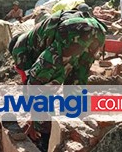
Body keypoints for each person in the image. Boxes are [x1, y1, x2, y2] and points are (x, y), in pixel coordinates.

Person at [9, 9, 106, 151]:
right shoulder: (35, 37)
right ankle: (75, 127)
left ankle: (45, 139)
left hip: (71, 29)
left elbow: (29, 83)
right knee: (75, 81)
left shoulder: (18, 48)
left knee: (37, 86)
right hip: (97, 30)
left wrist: (34, 120)